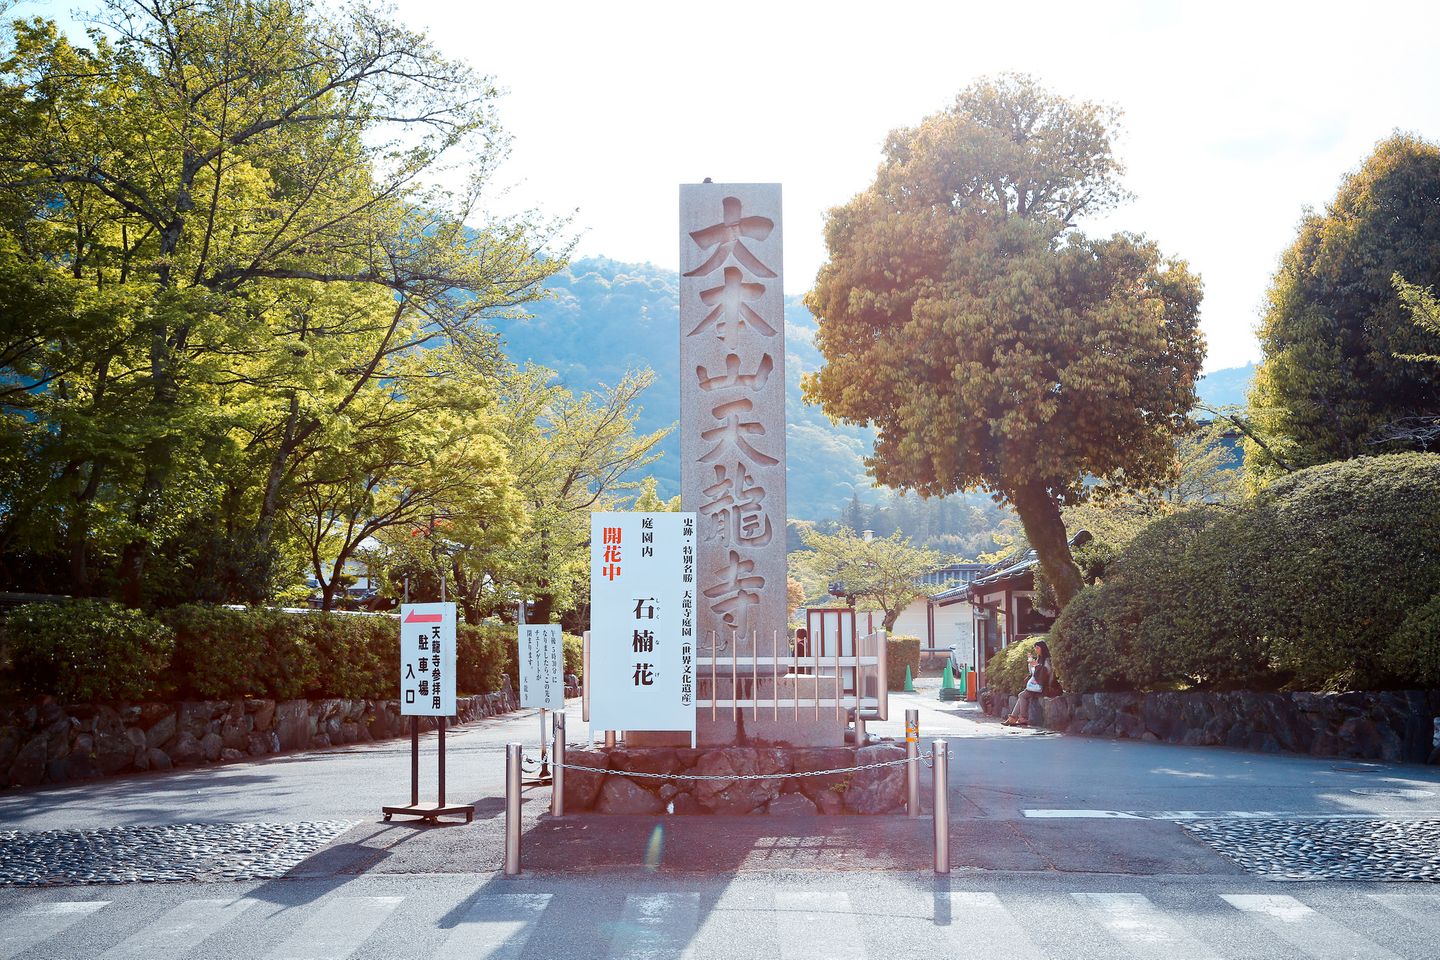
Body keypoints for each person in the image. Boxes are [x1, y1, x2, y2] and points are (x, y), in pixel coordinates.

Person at [1002, 639, 1055, 727]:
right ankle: (1015, 718)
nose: (1036, 650)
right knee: (1022, 695)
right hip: (1037, 685)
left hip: (1043, 686)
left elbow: (1047, 673)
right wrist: (1031, 664)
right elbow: (1033, 673)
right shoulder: (1040, 659)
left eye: (1037, 648)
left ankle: (1020, 718)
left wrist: (1037, 666)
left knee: (1022, 695)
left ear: (1042, 648)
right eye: (1035, 648)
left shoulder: (1047, 660)